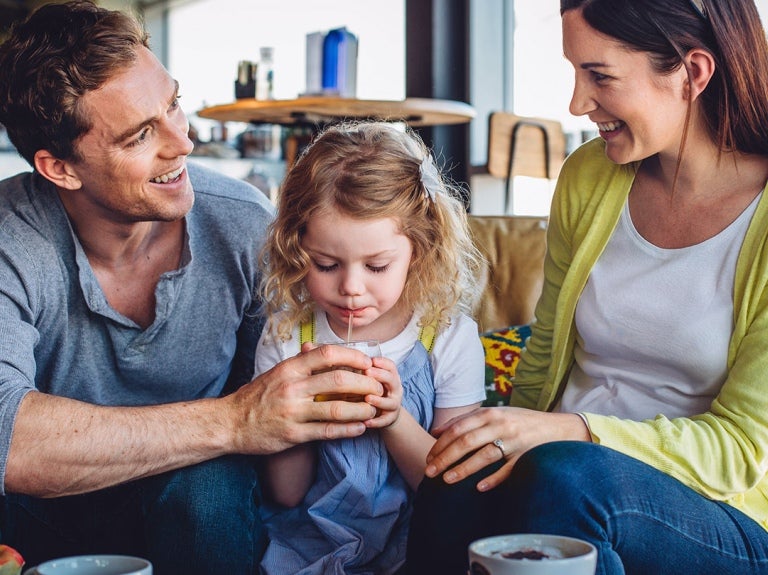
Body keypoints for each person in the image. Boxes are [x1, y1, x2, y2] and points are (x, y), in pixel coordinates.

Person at [0, 2, 385, 573]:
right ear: (59, 168)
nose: (183, 142)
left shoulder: (244, 224)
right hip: (40, 514)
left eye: (173, 104)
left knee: (210, 485)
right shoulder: (10, 240)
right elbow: (8, 442)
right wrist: (233, 421)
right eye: (139, 136)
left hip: (199, 509)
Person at [404, 0, 768, 574]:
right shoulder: (589, 175)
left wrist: (570, 432)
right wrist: (501, 436)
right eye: (575, 71)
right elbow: (546, 349)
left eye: (599, 75)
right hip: (563, 477)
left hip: (718, 516)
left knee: (567, 479)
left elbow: (740, 453)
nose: (577, 102)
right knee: (457, 473)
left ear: (693, 73)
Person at [255, 121, 487, 574]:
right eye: (326, 264)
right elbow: (285, 493)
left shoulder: (448, 337)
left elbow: (449, 489)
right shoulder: (286, 338)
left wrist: (394, 418)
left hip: (418, 545)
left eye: (377, 266)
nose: (351, 289)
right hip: (308, 547)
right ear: (298, 247)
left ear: (417, 251)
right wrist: (299, 410)